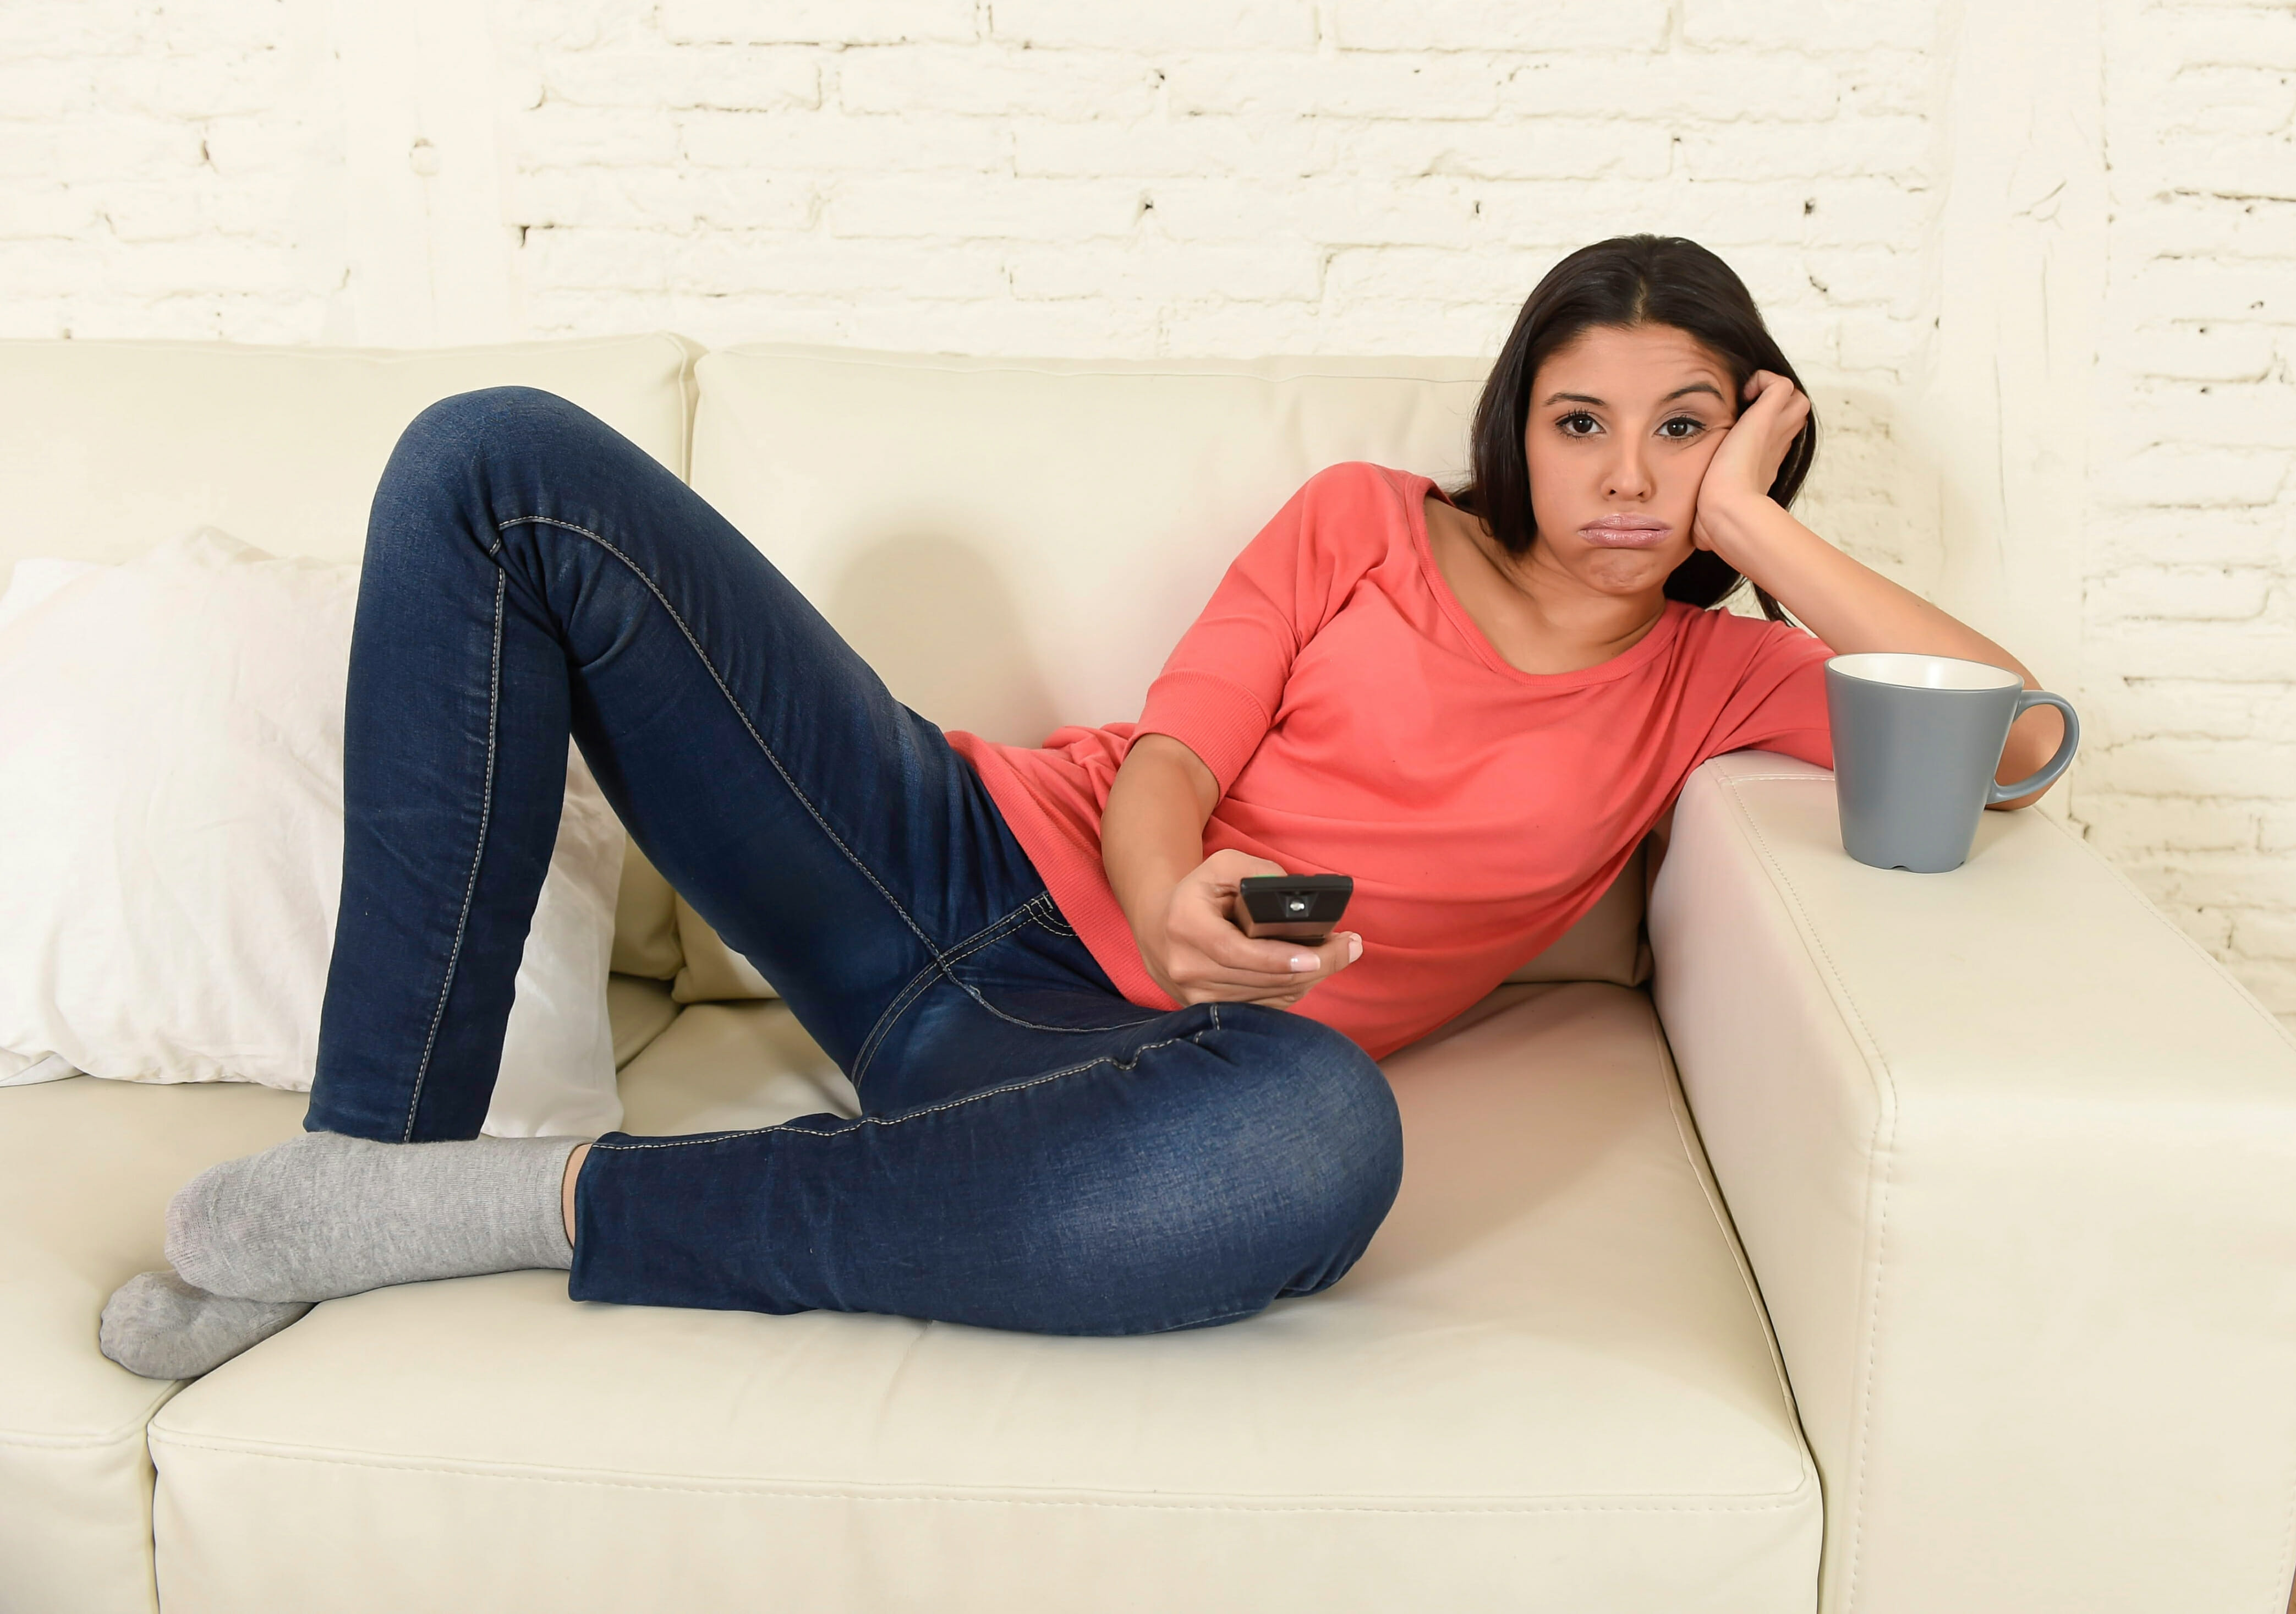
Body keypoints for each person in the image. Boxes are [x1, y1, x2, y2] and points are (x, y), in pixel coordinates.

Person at [99, 236, 2064, 1379]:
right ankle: (350, 1186)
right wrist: (1179, 880)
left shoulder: (1710, 678)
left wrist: (1753, 537)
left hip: (1113, 1068)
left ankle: (512, 1210)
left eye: (1685, 427)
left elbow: (2019, 738)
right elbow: (1183, 749)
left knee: (1315, 1137)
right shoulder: (1366, 525)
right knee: (497, 459)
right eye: (1585, 423)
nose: (1627, 473)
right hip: (928, 860)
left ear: (1752, 438)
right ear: (1514, 430)